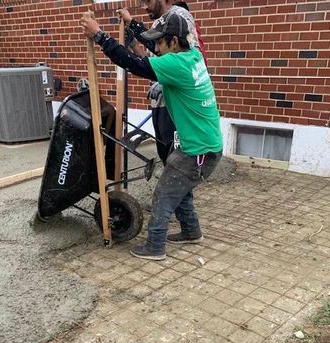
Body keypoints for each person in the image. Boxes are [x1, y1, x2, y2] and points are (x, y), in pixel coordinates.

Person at [81, 11, 223, 261]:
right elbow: (154, 51)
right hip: (205, 146)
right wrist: (133, 24)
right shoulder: (192, 56)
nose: (155, 47)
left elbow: (134, 63)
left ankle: (155, 247)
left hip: (197, 151)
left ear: (174, 42)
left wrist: (100, 37)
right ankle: (192, 231)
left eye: (160, 42)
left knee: (164, 194)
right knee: (179, 188)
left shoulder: (176, 65)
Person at [119, 1, 206, 165]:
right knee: (167, 158)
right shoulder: (160, 21)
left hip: (175, 104)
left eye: (148, 1)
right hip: (161, 103)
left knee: (177, 163)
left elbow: (192, 59)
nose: (145, 6)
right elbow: (151, 60)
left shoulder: (180, 16)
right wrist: (132, 42)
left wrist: (164, 83)